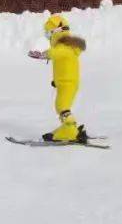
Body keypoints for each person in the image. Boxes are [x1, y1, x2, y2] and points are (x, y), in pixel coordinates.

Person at [27, 13, 89, 143]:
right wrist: (56, 81)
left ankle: (70, 130)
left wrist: (42, 55)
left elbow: (55, 53)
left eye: (48, 34)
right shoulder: (67, 47)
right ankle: (67, 127)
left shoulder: (63, 47)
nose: (48, 37)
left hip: (68, 83)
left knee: (62, 106)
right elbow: (62, 66)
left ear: (56, 32)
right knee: (60, 106)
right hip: (65, 82)